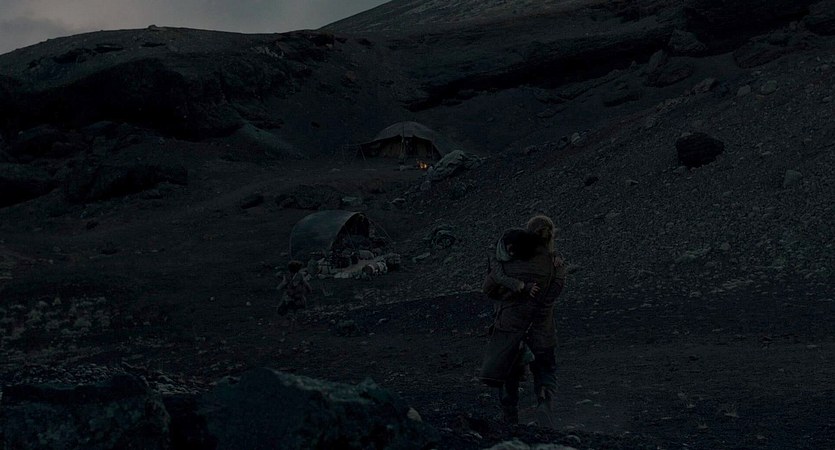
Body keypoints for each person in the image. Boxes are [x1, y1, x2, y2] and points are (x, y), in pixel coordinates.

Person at [480, 215, 567, 426]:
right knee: (544, 368)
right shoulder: (554, 263)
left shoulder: (509, 260)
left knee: (509, 369)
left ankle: (509, 414)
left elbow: (488, 289)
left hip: (510, 325)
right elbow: (555, 291)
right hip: (542, 328)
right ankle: (544, 402)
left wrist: (510, 293)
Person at [276, 260, 313, 326]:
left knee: (289, 307)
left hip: (293, 295)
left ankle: (292, 319)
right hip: (296, 295)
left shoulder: (289, 276)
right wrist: (309, 289)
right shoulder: (299, 275)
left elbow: (283, 283)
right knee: (294, 308)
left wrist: (279, 287)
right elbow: (305, 283)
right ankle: (293, 318)